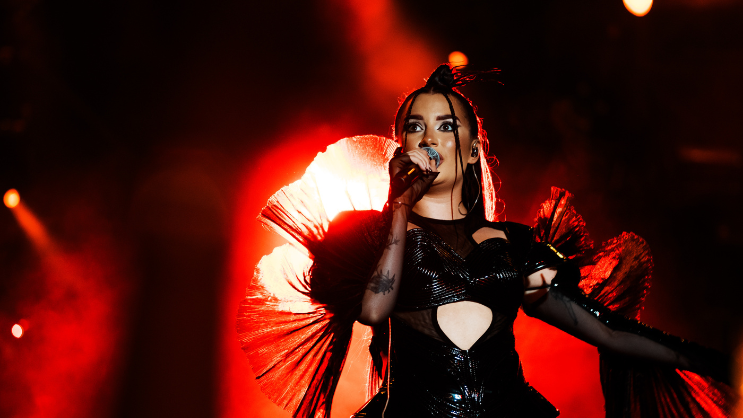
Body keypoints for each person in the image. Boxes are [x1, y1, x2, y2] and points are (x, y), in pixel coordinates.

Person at [237, 65, 735, 418]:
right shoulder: (376, 234)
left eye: (445, 126)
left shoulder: (515, 245)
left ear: (473, 150)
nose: (429, 138)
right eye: (415, 127)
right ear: (401, 147)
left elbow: (608, 333)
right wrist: (400, 209)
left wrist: (714, 365)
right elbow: (373, 311)